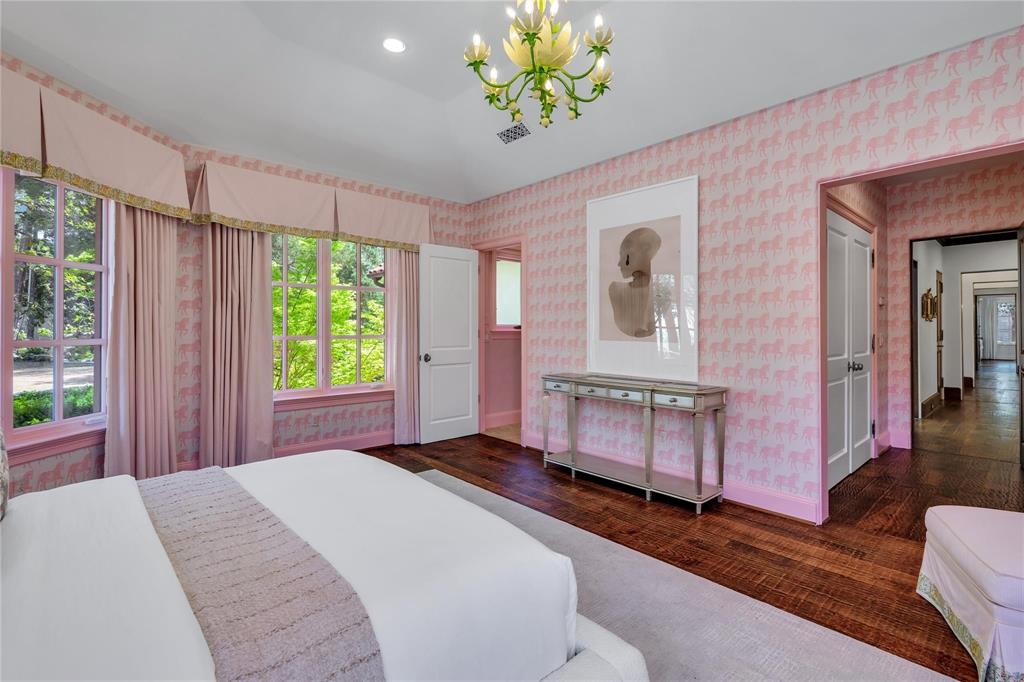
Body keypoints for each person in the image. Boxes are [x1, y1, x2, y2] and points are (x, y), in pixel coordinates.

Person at [608, 227, 661, 338]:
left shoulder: (658, 291)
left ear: (646, 249)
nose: (619, 263)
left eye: (625, 255)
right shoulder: (615, 290)